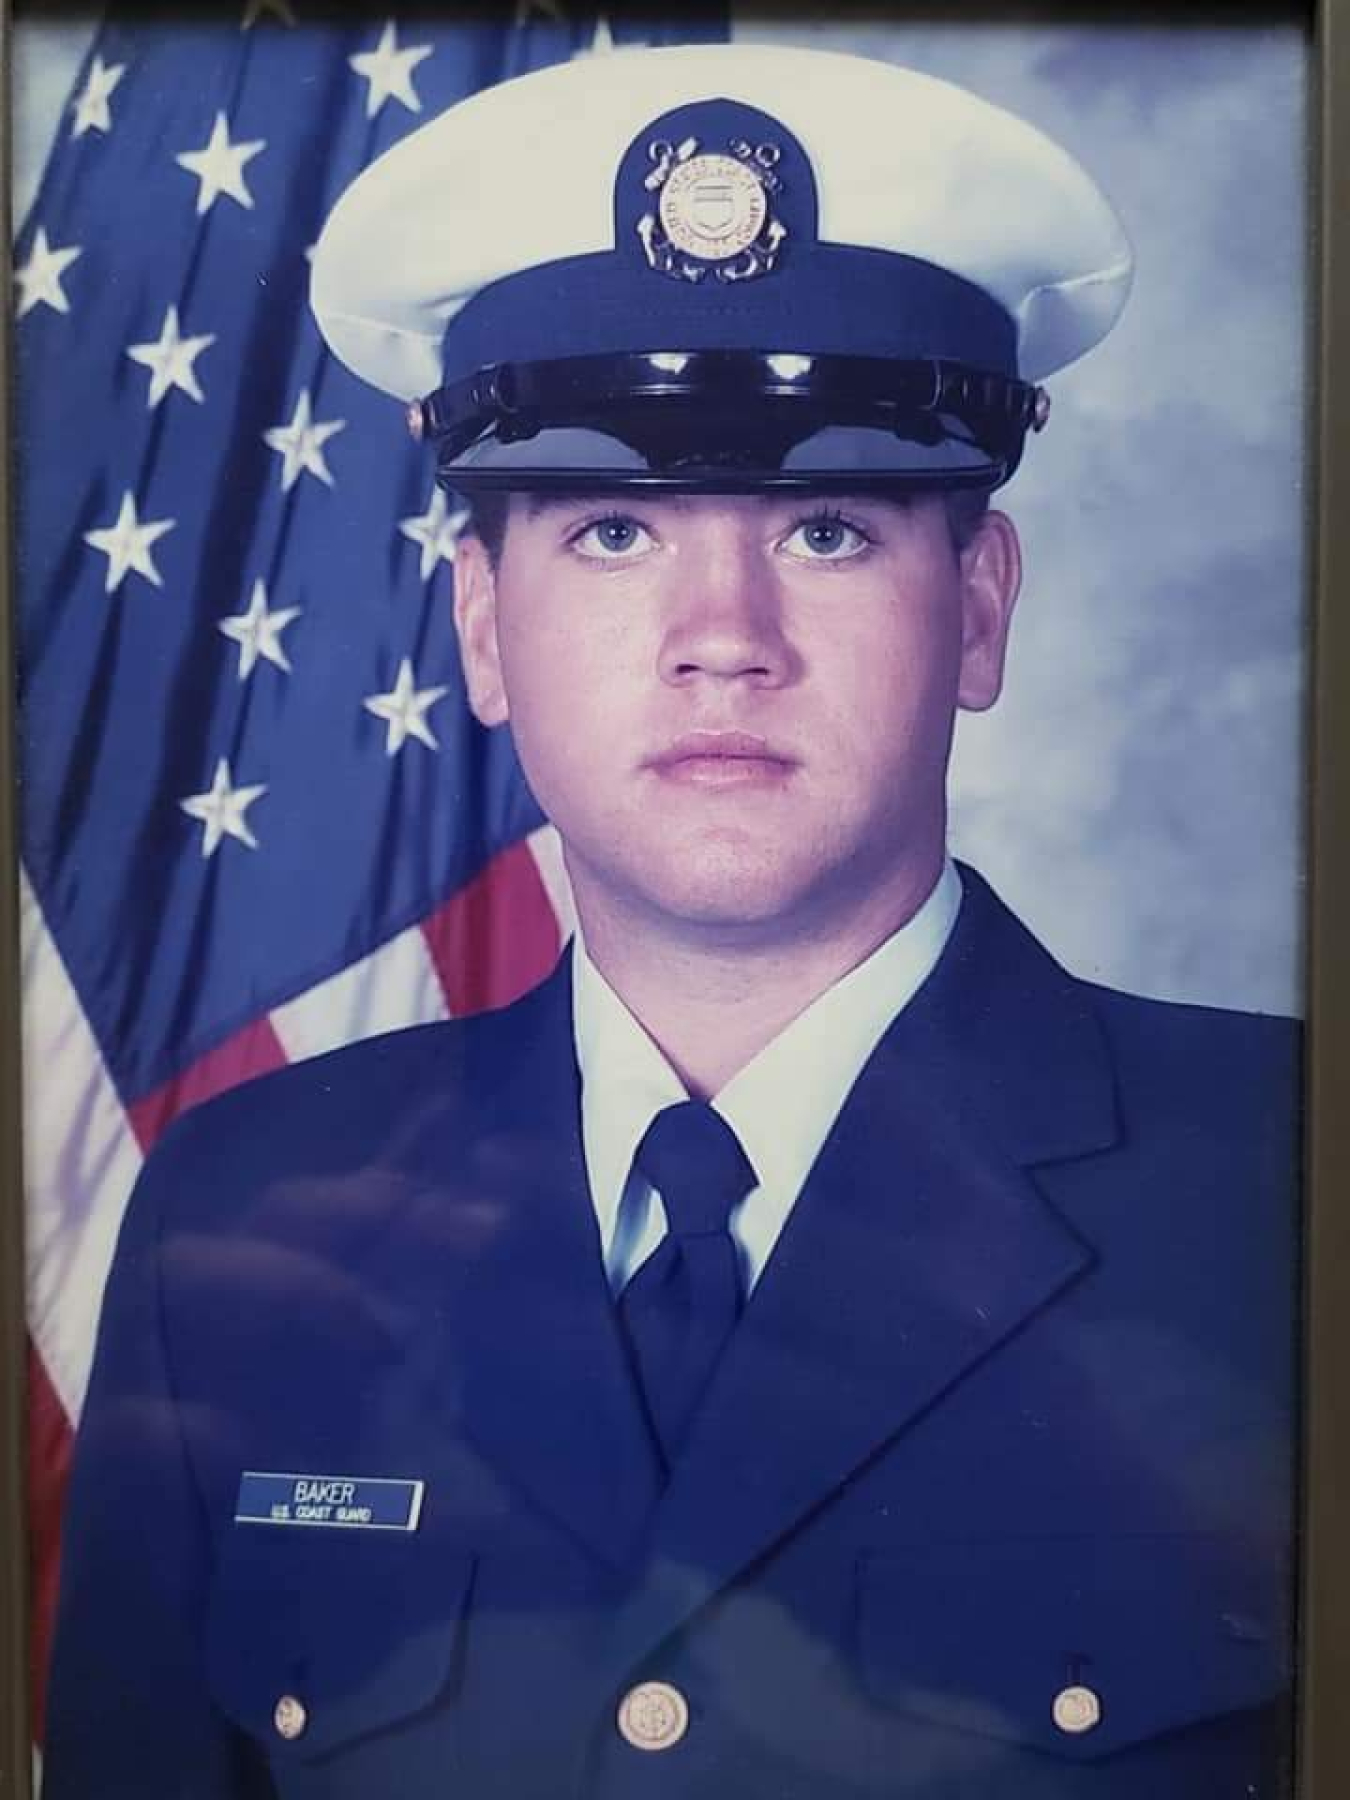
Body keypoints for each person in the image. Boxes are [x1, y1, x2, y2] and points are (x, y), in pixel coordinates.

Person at [43, 42, 1298, 1800]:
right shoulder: (234, 1224)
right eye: (615, 531)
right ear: (481, 626)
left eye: (830, 532)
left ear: (982, 609)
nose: (723, 632)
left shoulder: (1279, 1196)